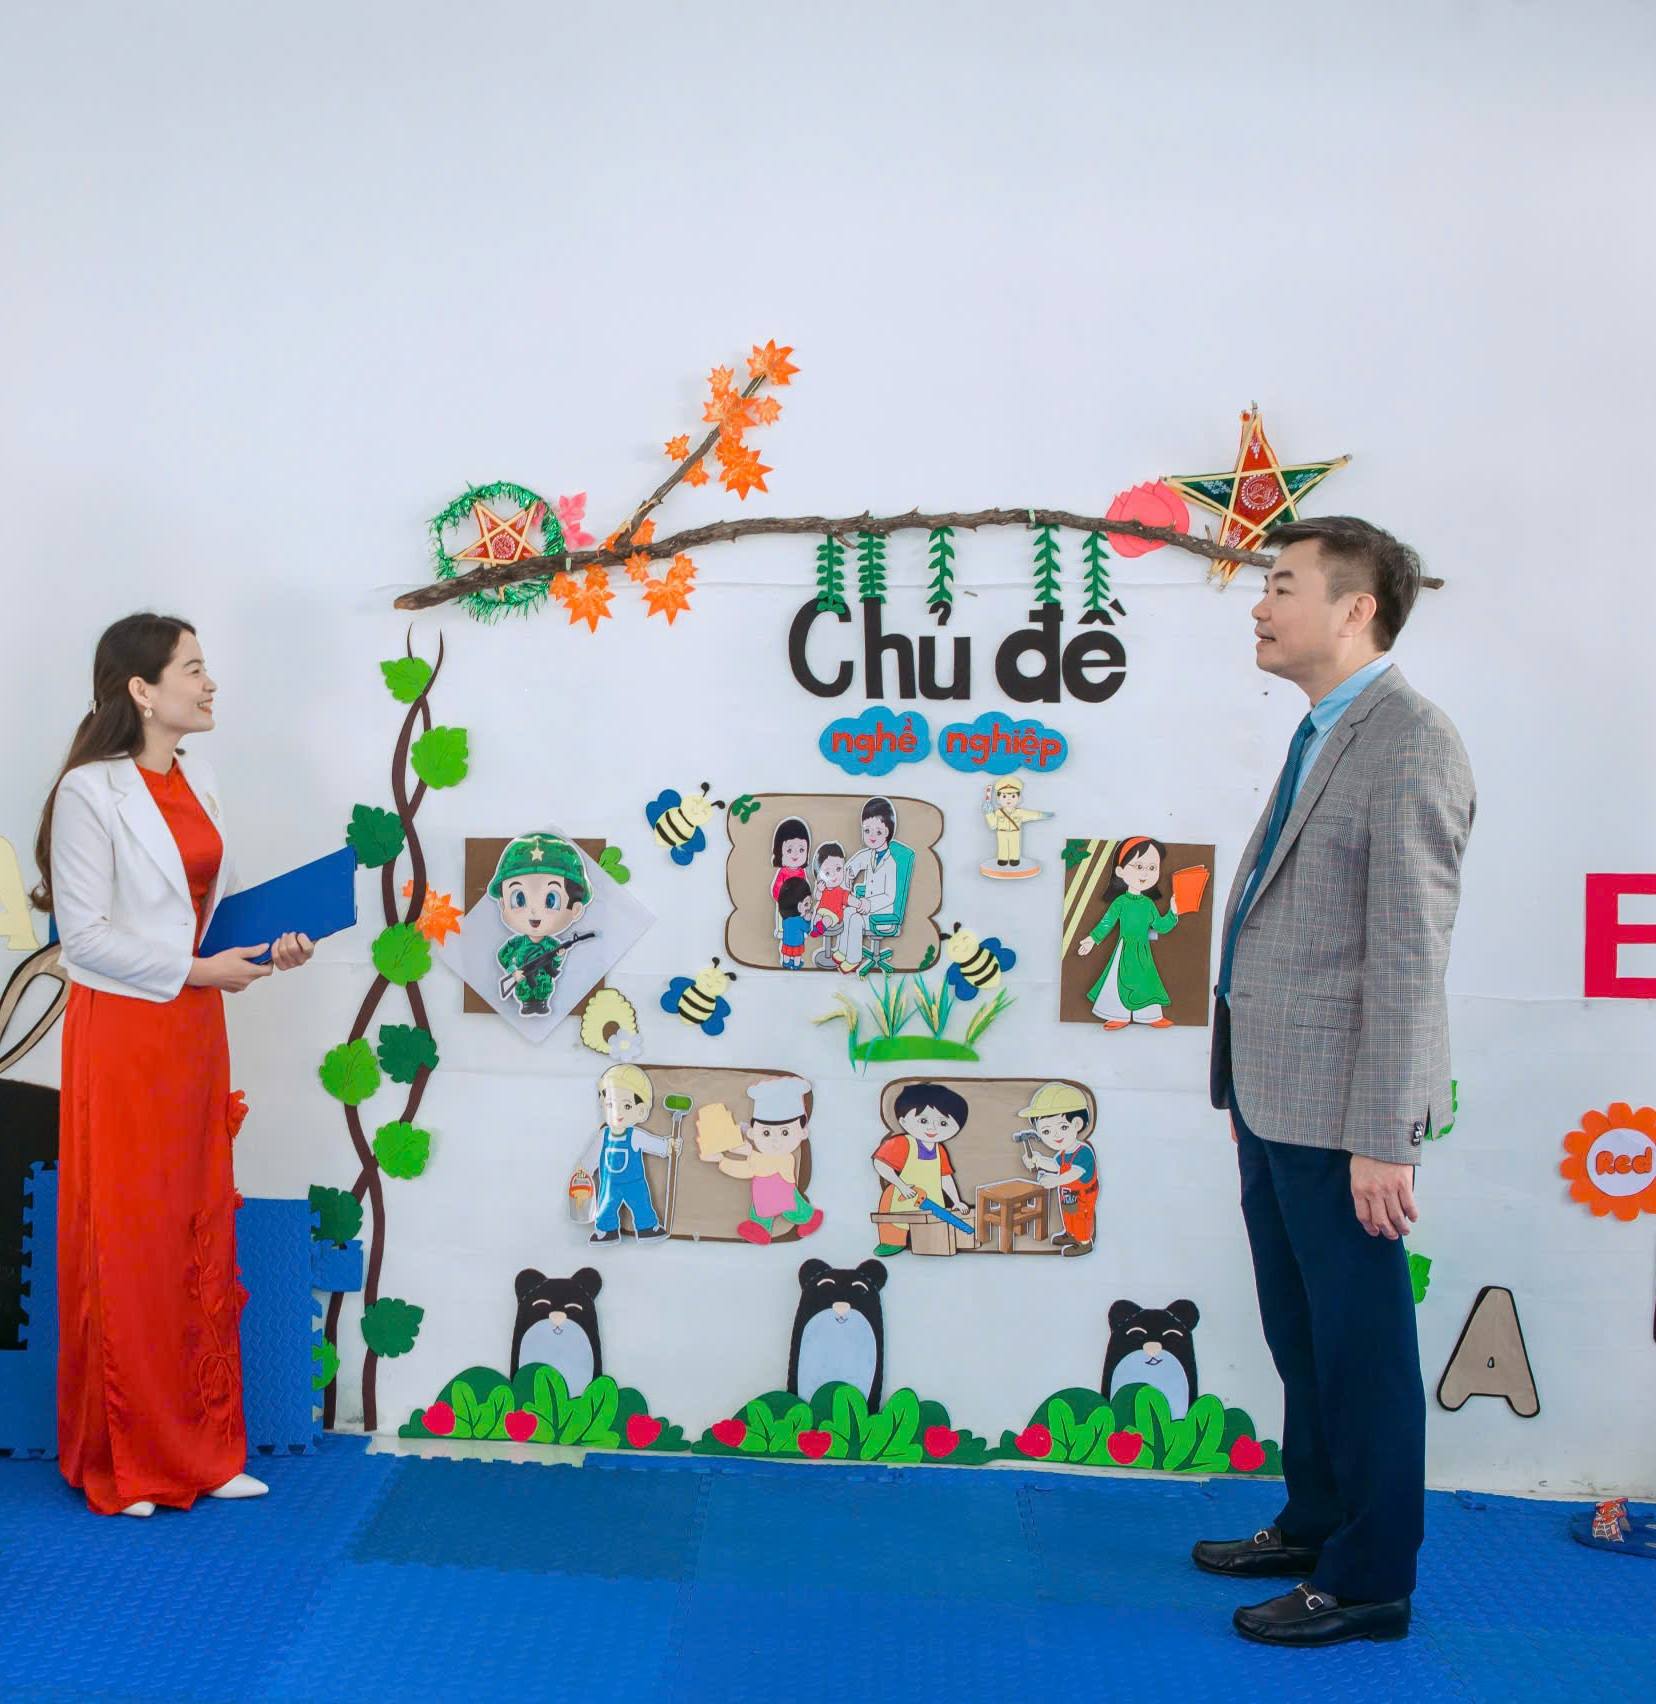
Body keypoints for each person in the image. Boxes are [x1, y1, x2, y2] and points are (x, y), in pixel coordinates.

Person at [1193, 519, 1475, 1648]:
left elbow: (1408, 955)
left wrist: (1385, 1137)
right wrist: (1241, 1085)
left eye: (1282, 585)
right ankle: (1315, 1523)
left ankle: (1368, 1580)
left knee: (1361, 1355)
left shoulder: (1409, 742)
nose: (1260, 606)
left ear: (1356, 609)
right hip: (1276, 1096)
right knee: (1302, 1336)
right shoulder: (1325, 730)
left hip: (1343, 1113)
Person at [34, 614, 315, 1518]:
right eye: (193, 668)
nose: (210, 682)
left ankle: (202, 1447)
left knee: (196, 1227)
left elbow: (201, 920)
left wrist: (270, 948)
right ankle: (128, 1456)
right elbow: (84, 941)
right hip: (122, 1031)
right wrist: (199, 971)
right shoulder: (89, 792)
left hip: (194, 1026)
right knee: (130, 1236)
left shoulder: (202, 780)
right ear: (142, 690)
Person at [1076, 836, 1179, 1028]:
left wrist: (1173, 912)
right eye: (1139, 866)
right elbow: (1107, 922)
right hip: (1124, 948)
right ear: (1120, 871)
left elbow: (1160, 926)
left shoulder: (1148, 904)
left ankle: (1151, 1016)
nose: (1145, 873)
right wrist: (1092, 939)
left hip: (1143, 951)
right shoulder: (1120, 902)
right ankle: (1117, 1015)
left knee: (1147, 980)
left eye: (1152, 868)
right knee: (1117, 981)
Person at [579, 1064, 678, 1243]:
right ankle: (606, 1231)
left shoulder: (635, 1135)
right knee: (606, 1205)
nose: (617, 1112)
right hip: (610, 1185)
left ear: (641, 1111)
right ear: (602, 1105)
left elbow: (655, 1144)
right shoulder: (603, 1136)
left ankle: (647, 1228)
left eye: (626, 1105)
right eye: (610, 1105)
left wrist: (668, 1146)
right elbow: (591, 1158)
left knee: (642, 1204)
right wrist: (583, 1171)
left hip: (635, 1183)